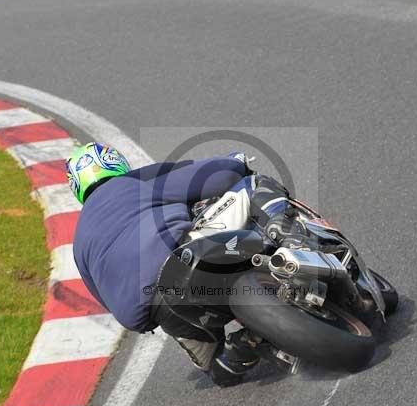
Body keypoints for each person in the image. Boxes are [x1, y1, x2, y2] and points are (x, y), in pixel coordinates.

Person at [65, 142, 290, 386]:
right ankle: (291, 237)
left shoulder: (78, 244)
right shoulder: (134, 181)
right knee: (252, 185)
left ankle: (243, 347)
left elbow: (104, 297)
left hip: (156, 308)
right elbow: (218, 176)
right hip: (184, 259)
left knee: (217, 368)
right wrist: (235, 163)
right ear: (114, 162)